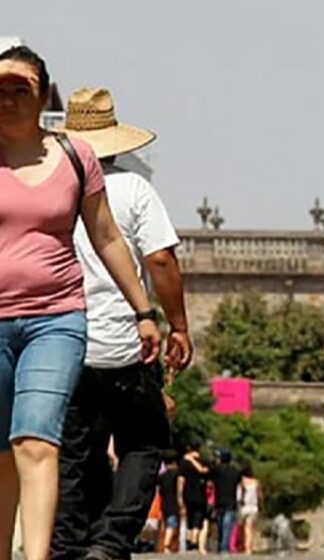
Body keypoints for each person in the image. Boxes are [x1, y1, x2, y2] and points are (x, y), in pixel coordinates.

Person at [0, 47, 160, 560]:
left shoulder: (74, 157)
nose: (7, 99)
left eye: (19, 88)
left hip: (57, 319)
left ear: (43, 93)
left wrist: (145, 312)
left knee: (37, 442)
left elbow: (108, 236)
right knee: (3, 455)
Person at [50, 87, 193, 560]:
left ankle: (70, 545)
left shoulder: (48, 186)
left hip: (63, 340)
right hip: (126, 342)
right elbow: (161, 261)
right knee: (144, 442)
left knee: (75, 452)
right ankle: (111, 541)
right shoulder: (132, 189)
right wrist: (178, 325)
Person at [210, 449, 241, 553]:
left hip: (219, 501)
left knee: (220, 525)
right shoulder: (235, 471)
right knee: (227, 525)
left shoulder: (216, 469)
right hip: (231, 501)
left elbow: (208, 472)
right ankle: (224, 547)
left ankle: (221, 545)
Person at [179, 442, 208, 551]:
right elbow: (204, 472)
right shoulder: (204, 461)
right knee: (197, 517)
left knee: (190, 517)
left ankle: (191, 539)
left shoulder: (184, 463)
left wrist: (180, 496)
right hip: (200, 494)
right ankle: (194, 541)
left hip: (187, 493)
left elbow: (181, 480)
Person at [157, 452, 181, 554]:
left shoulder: (161, 477)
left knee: (165, 524)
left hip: (164, 503)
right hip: (173, 502)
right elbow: (179, 490)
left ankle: (164, 545)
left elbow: (160, 492)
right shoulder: (176, 474)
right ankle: (167, 545)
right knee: (171, 524)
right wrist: (181, 502)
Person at [239, 465, 263, 555]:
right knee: (249, 528)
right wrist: (261, 506)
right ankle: (249, 549)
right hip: (254, 507)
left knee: (243, 528)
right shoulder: (256, 482)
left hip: (244, 507)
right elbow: (260, 496)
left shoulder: (242, 482)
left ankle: (243, 546)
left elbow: (241, 495)